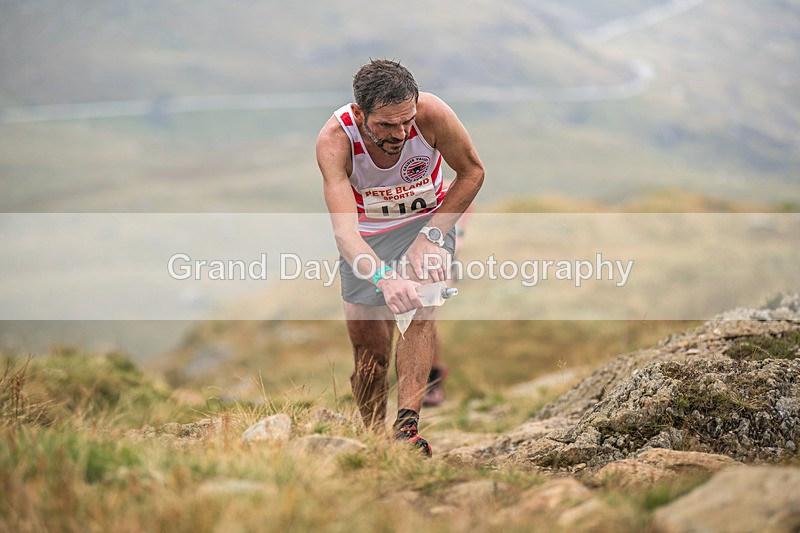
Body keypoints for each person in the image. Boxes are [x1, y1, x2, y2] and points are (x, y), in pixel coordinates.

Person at [316, 59, 484, 456]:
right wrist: (383, 278)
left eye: (406, 121)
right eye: (386, 125)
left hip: (427, 224)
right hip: (367, 238)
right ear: (360, 114)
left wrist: (431, 236)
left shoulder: (432, 115)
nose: (401, 133)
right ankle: (374, 439)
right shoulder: (335, 140)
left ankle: (406, 429)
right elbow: (345, 233)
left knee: (421, 311)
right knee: (369, 352)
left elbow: (472, 172)